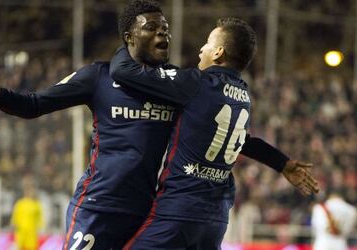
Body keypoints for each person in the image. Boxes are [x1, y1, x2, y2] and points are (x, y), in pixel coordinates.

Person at [0, 1, 317, 249]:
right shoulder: (98, 76)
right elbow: (35, 106)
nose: (163, 35)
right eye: (152, 28)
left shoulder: (177, 84)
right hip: (98, 207)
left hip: (147, 211)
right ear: (129, 36)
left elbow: (230, 135)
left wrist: (280, 162)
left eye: (165, 29)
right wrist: (0, 95)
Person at [110, 17, 319, 249]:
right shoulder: (243, 95)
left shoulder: (195, 83)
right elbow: (244, 142)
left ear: (218, 52)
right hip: (215, 220)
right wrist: (281, 162)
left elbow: (122, 71)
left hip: (179, 211)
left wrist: (130, 41)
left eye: (208, 43)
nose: (201, 49)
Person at [11, 175, 43, 250]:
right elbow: (14, 220)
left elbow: (40, 219)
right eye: (27, 190)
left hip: (32, 235)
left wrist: (40, 230)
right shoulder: (19, 204)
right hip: (21, 235)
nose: (29, 192)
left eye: (30, 190)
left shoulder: (36, 205)